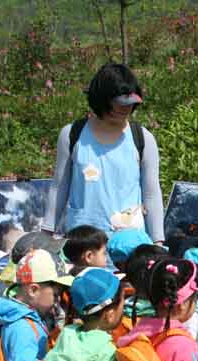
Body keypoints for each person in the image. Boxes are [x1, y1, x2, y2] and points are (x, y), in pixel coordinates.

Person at [52, 63, 164, 242]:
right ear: (102, 99)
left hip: (129, 244)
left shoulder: (143, 139)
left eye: (130, 103)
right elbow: (59, 186)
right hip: (82, 244)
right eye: (119, 103)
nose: (125, 108)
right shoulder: (72, 134)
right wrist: (47, 231)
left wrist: (158, 240)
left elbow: (151, 193)